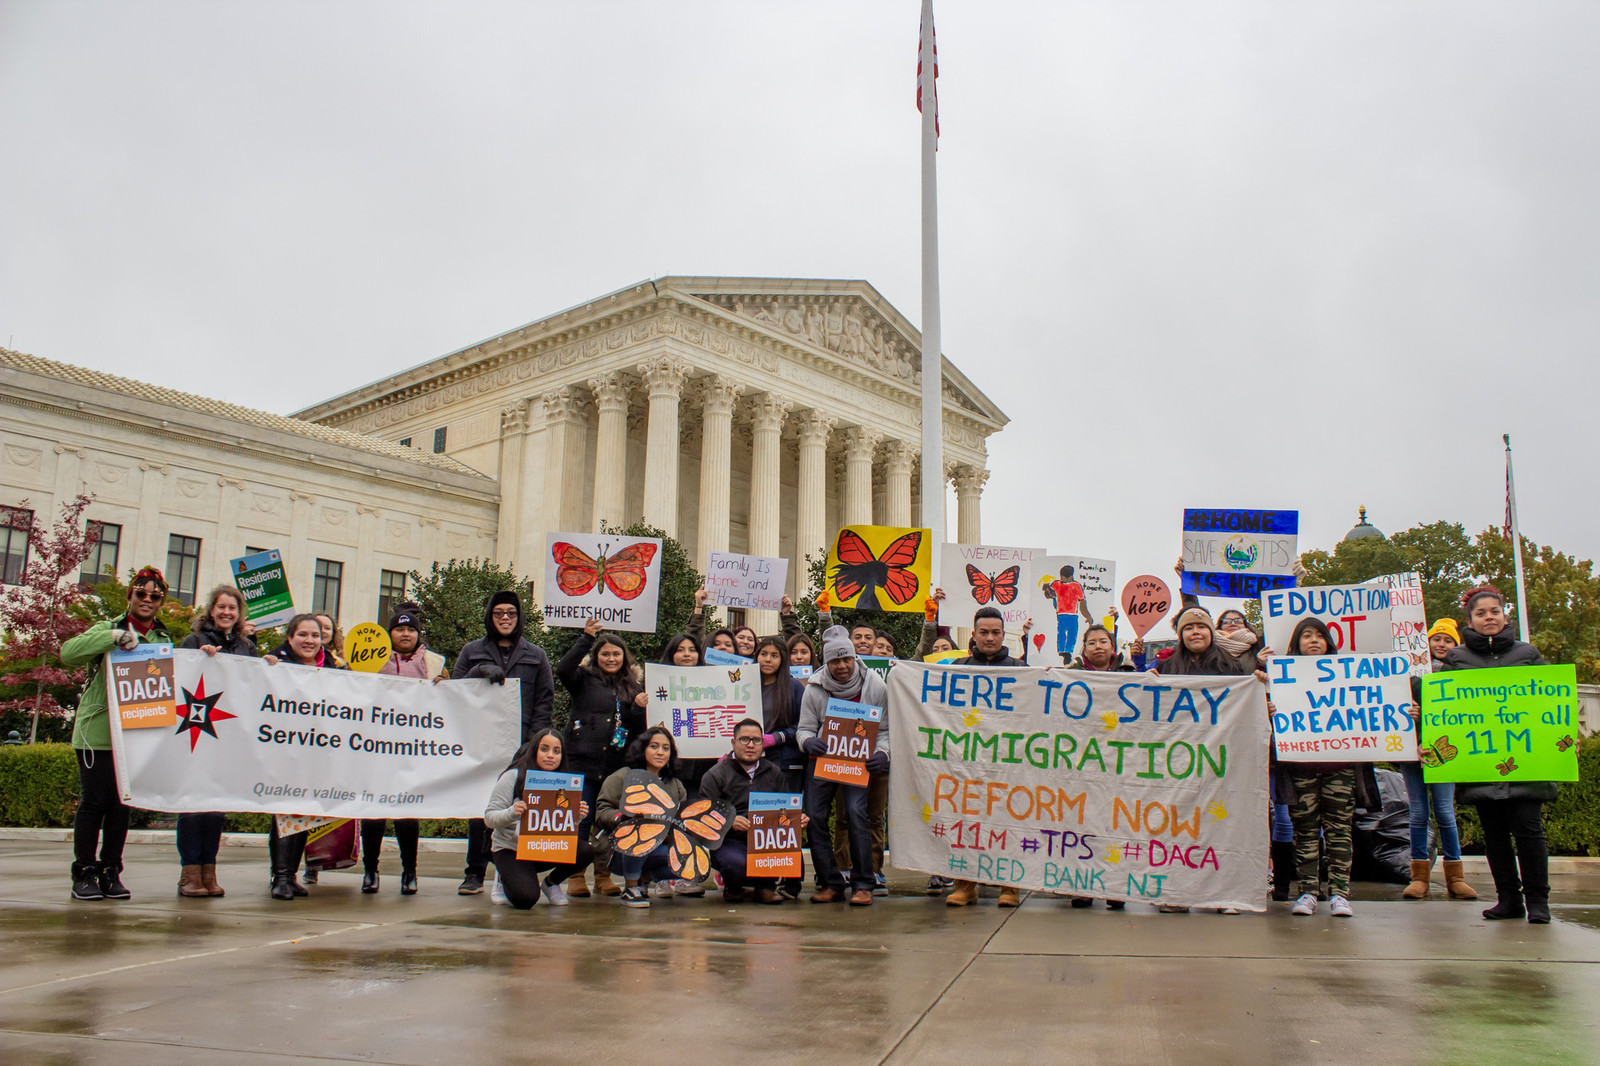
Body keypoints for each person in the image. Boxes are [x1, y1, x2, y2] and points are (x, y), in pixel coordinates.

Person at [60, 564, 173, 901]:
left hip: (136, 735)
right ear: (130, 595)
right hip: (97, 733)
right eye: (141, 593)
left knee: (121, 805)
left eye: (155, 596)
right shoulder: (106, 627)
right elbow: (68, 653)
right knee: (94, 803)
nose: (147, 600)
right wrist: (112, 638)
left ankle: (111, 870)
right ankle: (84, 871)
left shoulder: (162, 638)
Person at [1444, 586, 1553, 924]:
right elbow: (1443, 709)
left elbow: (1551, 703)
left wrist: (1563, 739)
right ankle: (1508, 898)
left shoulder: (1528, 654)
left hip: (1526, 762)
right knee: (1495, 835)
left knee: (1529, 830)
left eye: (1495, 611)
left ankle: (1538, 901)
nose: (1489, 617)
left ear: (1505, 616)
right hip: (1481, 764)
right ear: (1470, 621)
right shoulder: (1457, 660)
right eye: (1481, 613)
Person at [452, 590, 556, 894]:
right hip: (482, 741)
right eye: (499, 613)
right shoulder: (472, 651)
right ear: (490, 617)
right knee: (480, 807)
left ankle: (511, 870)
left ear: (519, 617)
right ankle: (474, 872)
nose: (505, 618)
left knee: (519, 808)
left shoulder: (536, 655)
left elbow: (544, 701)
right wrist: (478, 671)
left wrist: (534, 744)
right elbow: (454, 692)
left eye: (511, 613)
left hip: (521, 746)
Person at [1277, 617, 1375, 919]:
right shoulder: (1282, 677)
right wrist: (1270, 707)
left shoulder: (1349, 675)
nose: (1314, 641)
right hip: (1300, 768)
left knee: (1339, 831)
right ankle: (1307, 892)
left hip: (1340, 767)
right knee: (1304, 830)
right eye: (1307, 635)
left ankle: (1339, 894)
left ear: (1329, 643)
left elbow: (1373, 705)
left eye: (1320, 635)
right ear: (1297, 643)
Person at [174, 584, 259, 898]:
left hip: (228, 739)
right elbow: (180, 678)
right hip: (196, 735)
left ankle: (209, 872)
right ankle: (189, 874)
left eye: (232, 608)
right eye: (221, 607)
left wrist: (270, 667)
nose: (226, 613)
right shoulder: (193, 641)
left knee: (216, 810)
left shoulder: (247, 647)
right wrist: (201, 659)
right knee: (193, 806)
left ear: (239, 614)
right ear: (211, 610)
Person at [554, 617, 647, 899]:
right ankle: (574, 874)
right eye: (605, 654)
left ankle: (603, 875)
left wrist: (638, 708)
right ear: (596, 656)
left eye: (616, 654)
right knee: (581, 820)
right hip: (582, 761)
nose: (610, 658)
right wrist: (585, 637)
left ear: (625, 658)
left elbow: (635, 730)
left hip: (615, 766)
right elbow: (562, 668)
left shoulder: (633, 687)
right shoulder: (583, 679)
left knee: (608, 821)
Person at [941, 607, 1026, 908]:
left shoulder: (1020, 669)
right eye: (984, 632)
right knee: (965, 822)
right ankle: (965, 885)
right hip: (967, 762)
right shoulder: (956, 668)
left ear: (1004, 635)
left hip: (1008, 763)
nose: (990, 638)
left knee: (1010, 822)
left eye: (995, 632)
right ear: (974, 635)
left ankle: (1009, 886)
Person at [798, 628, 890, 906]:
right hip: (823, 762)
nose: (842, 666)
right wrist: (808, 742)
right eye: (835, 662)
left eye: (846, 660)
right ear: (827, 663)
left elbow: (885, 730)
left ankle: (863, 884)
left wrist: (883, 753)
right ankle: (830, 882)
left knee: (856, 813)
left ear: (854, 658)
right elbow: (803, 728)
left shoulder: (874, 685)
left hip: (856, 761)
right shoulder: (814, 688)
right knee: (814, 816)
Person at [361, 602, 447, 896]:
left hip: (412, 750)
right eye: (400, 628)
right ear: (391, 633)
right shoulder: (372, 659)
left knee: (407, 815)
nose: (406, 633)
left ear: (418, 634)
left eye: (411, 629)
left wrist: (443, 684)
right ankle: (370, 871)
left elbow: (451, 699)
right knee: (373, 814)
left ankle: (409, 872)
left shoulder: (433, 663)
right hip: (375, 749)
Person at [262, 613, 347, 900]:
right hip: (285, 751)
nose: (309, 640)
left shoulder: (336, 667)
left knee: (303, 815)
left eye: (315, 635)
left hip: (318, 751)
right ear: (290, 637)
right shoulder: (277, 662)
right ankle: (281, 875)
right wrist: (268, 669)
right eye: (303, 635)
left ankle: (290, 875)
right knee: (286, 813)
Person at [1401, 618, 1476, 902]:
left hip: (1445, 754)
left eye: (1448, 640)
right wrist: (1410, 715)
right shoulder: (1409, 676)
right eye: (1437, 639)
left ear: (1456, 646)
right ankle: (1419, 877)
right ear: (1427, 643)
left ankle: (1455, 877)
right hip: (1412, 753)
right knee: (1418, 813)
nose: (1441, 644)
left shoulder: (1463, 677)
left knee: (1445, 813)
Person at [483, 729, 595, 909]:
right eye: (544, 749)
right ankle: (503, 875)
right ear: (534, 750)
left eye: (556, 751)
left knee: (585, 850)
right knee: (525, 899)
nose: (550, 755)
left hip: (543, 846)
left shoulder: (565, 782)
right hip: (511, 849)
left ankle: (551, 884)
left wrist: (577, 817)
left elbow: (559, 825)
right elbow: (489, 817)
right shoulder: (513, 776)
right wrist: (511, 813)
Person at [699, 718, 808, 903]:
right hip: (730, 841)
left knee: (795, 859)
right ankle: (734, 888)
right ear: (733, 742)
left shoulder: (774, 772)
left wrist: (797, 820)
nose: (751, 745)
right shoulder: (716, 775)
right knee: (736, 865)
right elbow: (703, 815)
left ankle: (765, 887)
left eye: (756, 740)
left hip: (766, 839)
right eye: (744, 740)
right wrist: (729, 821)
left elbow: (785, 810)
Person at [594, 726, 687, 908]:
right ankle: (630, 887)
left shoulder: (675, 785)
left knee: (688, 861)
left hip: (660, 843)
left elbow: (682, 818)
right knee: (640, 829)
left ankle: (644, 881)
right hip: (618, 849)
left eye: (665, 748)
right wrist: (624, 817)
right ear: (642, 749)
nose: (660, 752)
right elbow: (602, 812)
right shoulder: (622, 777)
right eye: (654, 746)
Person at [1045, 565, 1094, 661]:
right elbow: (1049, 594)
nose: (1063, 579)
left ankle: (1066, 651)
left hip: (1071, 614)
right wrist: (1048, 590)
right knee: (1064, 633)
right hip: (1063, 614)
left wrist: (1087, 616)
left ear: (1070, 577)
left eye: (1064, 577)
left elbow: (1082, 603)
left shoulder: (1075, 586)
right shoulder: (1057, 584)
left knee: (1070, 633)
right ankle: (1062, 651)